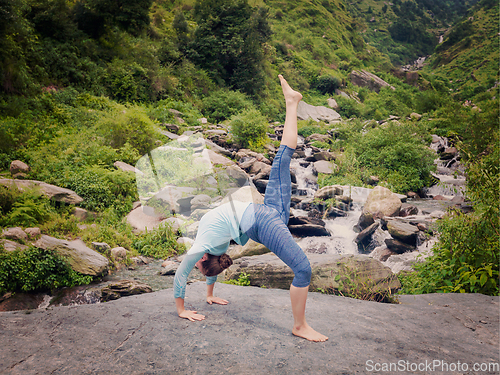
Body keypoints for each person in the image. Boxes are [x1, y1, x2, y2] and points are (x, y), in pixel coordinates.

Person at [173, 75, 328, 342]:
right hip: (260, 218)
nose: (196, 263)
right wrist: (205, 296)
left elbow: (182, 274)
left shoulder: (204, 247)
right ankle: (299, 326)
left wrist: (185, 309)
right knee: (302, 269)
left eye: (199, 266)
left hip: (263, 217)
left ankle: (292, 103)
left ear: (201, 259)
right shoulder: (213, 247)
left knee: (282, 159)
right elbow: (209, 270)